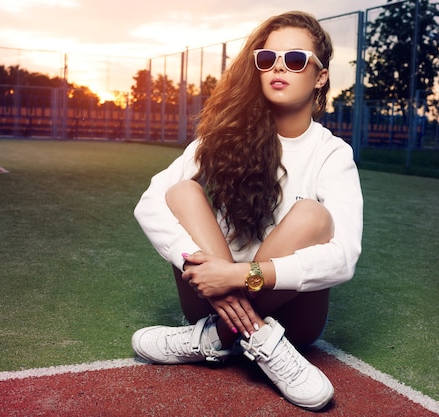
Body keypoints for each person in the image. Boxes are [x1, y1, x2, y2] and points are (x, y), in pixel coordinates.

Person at [131, 10, 363, 411]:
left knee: (314, 216)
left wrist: (239, 275)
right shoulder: (224, 135)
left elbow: (344, 258)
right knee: (182, 190)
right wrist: (195, 265)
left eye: (294, 60)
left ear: (320, 76)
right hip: (208, 296)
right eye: (266, 59)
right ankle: (246, 331)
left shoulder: (333, 154)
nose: (278, 68)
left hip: (293, 316)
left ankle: (213, 338)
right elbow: (150, 201)